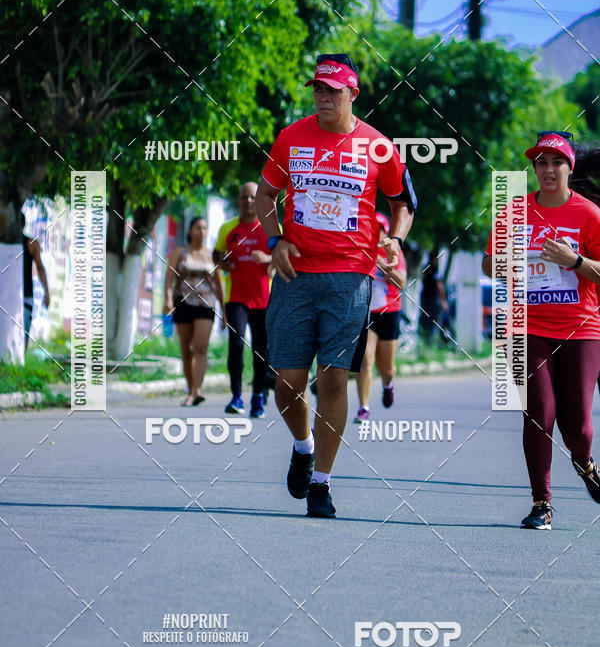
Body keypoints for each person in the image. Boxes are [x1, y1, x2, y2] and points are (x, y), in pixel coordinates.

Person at [256, 52, 417, 518]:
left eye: (333, 90)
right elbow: (267, 193)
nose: (323, 97)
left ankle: (322, 485)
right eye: (318, 90)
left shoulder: (378, 146)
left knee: (332, 379)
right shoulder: (291, 137)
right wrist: (275, 238)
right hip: (294, 275)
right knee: (286, 383)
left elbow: (404, 201)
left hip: (351, 276)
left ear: (353, 94)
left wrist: (394, 239)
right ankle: (303, 446)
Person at [482, 132, 600, 529]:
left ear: (570, 167)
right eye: (541, 163)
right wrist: (507, 260)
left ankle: (584, 462)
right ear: (534, 169)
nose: (548, 170)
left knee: (580, 424)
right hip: (526, 328)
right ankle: (541, 503)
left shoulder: (588, 214)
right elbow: (488, 266)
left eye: (557, 162)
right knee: (539, 413)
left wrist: (576, 260)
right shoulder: (513, 211)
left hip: (580, 329)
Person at [213, 182, 273, 418]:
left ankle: (258, 396)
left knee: (260, 349)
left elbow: (283, 256)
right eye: (244, 198)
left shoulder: (270, 227)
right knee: (236, 344)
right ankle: (236, 396)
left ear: (258, 200)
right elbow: (216, 253)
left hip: (263, 299)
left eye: (252, 198)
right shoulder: (228, 228)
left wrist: (267, 257)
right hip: (236, 297)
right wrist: (222, 262)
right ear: (238, 201)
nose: (248, 202)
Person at [164, 216, 225, 406]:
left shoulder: (211, 255)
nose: (202, 232)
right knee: (186, 350)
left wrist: (224, 312)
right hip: (182, 303)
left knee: (199, 346)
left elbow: (218, 284)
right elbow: (168, 278)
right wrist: (167, 300)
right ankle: (191, 391)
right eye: (198, 227)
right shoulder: (180, 252)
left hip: (206, 305)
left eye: (205, 228)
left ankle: (197, 391)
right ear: (190, 231)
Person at [354, 212, 407, 423]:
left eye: (380, 229)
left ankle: (387, 384)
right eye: (371, 228)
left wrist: (379, 262)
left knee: (387, 368)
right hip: (365, 312)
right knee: (365, 360)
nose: (375, 233)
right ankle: (363, 407)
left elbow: (401, 282)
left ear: (386, 232)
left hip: (388, 310)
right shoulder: (358, 248)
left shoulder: (392, 251)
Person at [21, 213, 50, 350]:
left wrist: (47, 292)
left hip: (22, 295)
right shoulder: (32, 244)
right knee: (24, 332)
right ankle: (21, 360)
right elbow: (40, 268)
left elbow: (40, 268)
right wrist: (47, 292)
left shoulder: (31, 244)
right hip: (25, 295)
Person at [418, 250, 449, 346]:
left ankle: (425, 339)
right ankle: (432, 341)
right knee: (435, 320)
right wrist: (443, 301)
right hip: (432, 299)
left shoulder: (424, 268)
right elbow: (439, 285)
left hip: (424, 298)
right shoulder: (434, 269)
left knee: (425, 319)